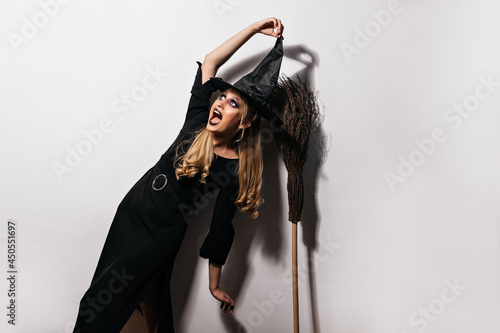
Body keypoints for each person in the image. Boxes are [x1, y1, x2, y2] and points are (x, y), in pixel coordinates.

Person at [73, 17, 284, 333]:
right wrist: (254, 30)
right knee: (149, 300)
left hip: (160, 235)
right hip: (131, 214)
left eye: (232, 103)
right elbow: (211, 61)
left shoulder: (234, 168)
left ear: (244, 123)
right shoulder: (196, 121)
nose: (220, 103)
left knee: (99, 304)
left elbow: (221, 229)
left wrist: (215, 285)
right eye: (222, 97)